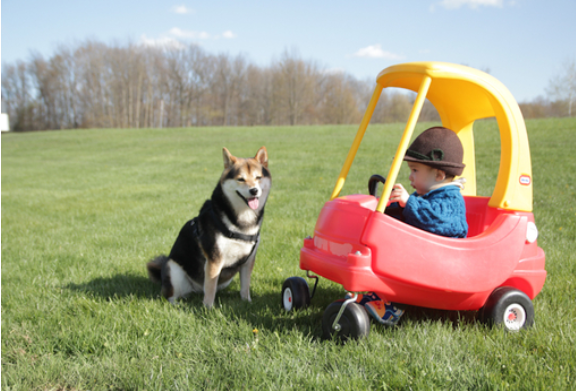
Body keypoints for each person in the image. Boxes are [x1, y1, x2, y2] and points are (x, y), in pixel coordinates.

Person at [360, 126, 469, 325]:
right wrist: (388, 211)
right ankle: (378, 292)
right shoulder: (427, 196)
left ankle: (394, 304)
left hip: (443, 266)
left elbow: (436, 221)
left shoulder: (451, 200)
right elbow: (413, 218)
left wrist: (409, 203)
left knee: (400, 258)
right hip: (426, 258)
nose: (410, 176)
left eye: (415, 171)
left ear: (439, 175)